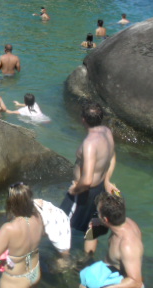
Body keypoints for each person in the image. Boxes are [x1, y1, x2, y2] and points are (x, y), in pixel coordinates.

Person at [61, 101, 117, 255]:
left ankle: (63, 262)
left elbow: (87, 180)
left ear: (83, 119)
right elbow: (112, 156)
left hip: (84, 193)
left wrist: (75, 189)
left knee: (60, 223)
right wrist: (107, 181)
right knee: (92, 227)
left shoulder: (89, 144)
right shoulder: (107, 131)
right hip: (99, 190)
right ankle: (87, 259)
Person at [0, 182, 43, 287]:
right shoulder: (38, 217)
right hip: (35, 273)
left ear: (10, 204)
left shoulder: (9, 228)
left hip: (15, 281)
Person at [79, 193, 143, 288]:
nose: (97, 215)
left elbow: (136, 282)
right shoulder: (123, 221)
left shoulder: (127, 246)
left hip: (122, 280)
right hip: (108, 269)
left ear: (105, 219)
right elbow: (88, 252)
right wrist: (92, 228)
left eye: (98, 213)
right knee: (84, 276)